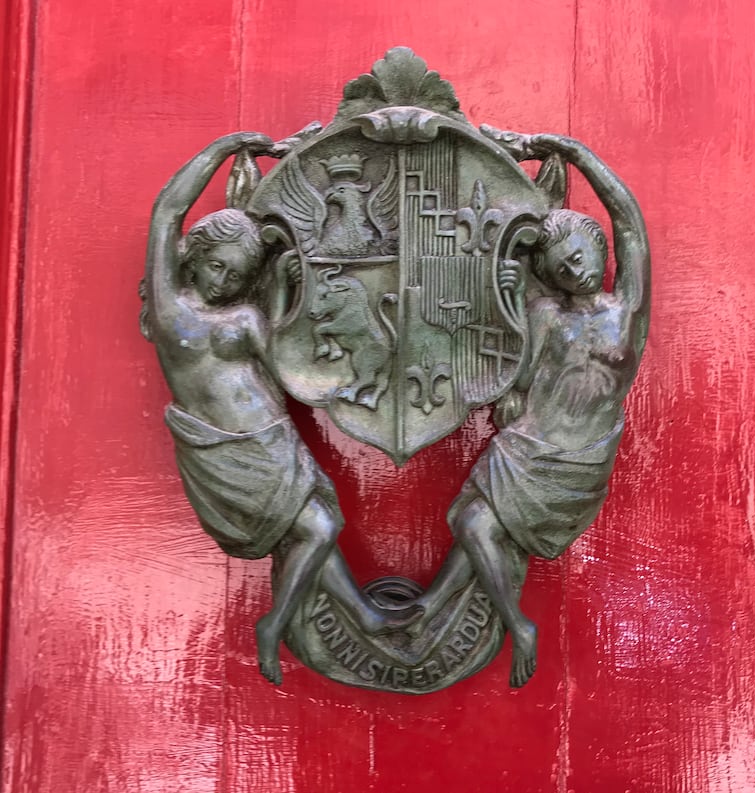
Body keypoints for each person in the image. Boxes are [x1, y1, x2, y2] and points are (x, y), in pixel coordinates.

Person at [144, 133, 406, 685]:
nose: (223, 281)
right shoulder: (172, 314)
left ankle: (360, 614)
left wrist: (285, 292)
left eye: (237, 276)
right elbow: (168, 211)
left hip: (273, 437)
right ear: (196, 260)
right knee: (316, 526)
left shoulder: (245, 318)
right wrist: (223, 148)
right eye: (216, 267)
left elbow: (288, 358)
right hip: (226, 448)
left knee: (317, 523)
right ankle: (276, 623)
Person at [414, 133, 650, 688]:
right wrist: (510, 295)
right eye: (562, 268)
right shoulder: (548, 315)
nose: (576, 271)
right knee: (468, 521)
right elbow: (514, 380)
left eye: (579, 257)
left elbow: (631, 224)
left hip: (581, 457)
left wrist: (578, 154)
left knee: (474, 524)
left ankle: (497, 619)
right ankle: (493, 620)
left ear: (598, 248)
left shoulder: (628, 311)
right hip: (528, 445)